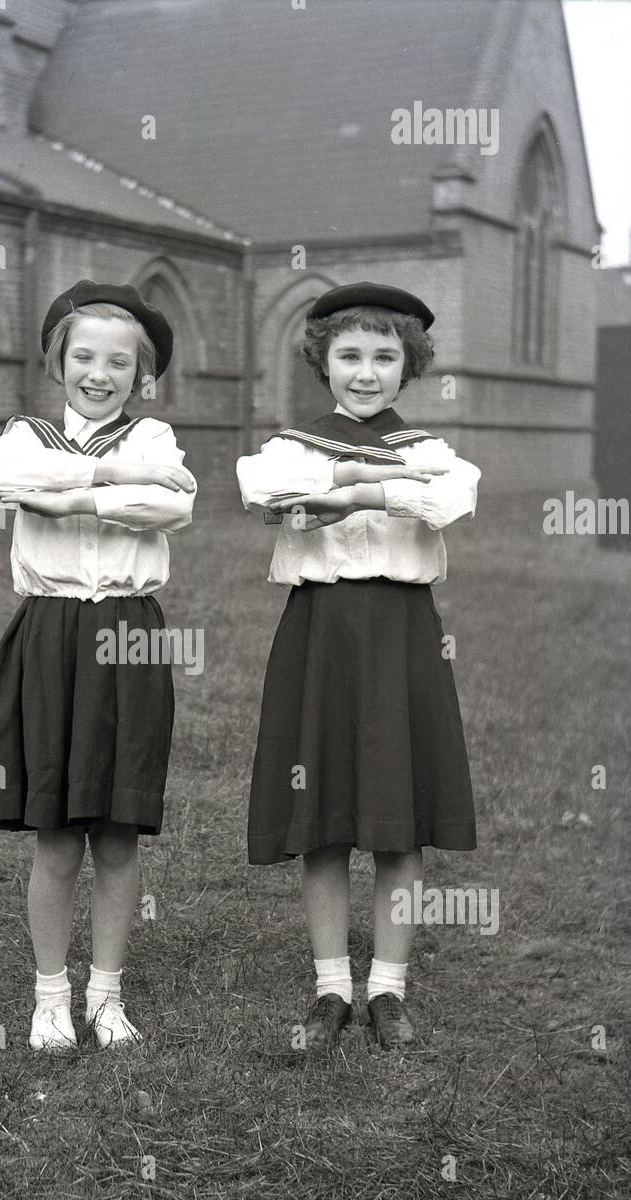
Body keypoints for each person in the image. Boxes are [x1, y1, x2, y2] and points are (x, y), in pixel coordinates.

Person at [236, 282, 480, 1050]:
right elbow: (265, 487)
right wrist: (348, 484)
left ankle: (389, 989)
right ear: (324, 362)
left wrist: (365, 488)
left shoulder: (429, 451)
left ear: (409, 366)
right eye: (350, 356)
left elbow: (451, 497)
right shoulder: (294, 445)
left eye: (385, 356)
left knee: (399, 817)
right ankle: (332, 984)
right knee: (324, 816)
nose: (366, 372)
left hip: (403, 634)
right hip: (321, 633)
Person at [0, 281, 195, 1052]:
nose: (101, 373)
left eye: (120, 362)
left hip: (131, 633)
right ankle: (49, 997)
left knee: (120, 831)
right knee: (58, 833)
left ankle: (106, 994)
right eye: (85, 356)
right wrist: (103, 483)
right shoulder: (25, 434)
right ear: (57, 364)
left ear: (141, 375)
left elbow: (176, 506)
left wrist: (63, 500)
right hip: (51, 633)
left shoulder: (154, 438)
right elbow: (7, 482)